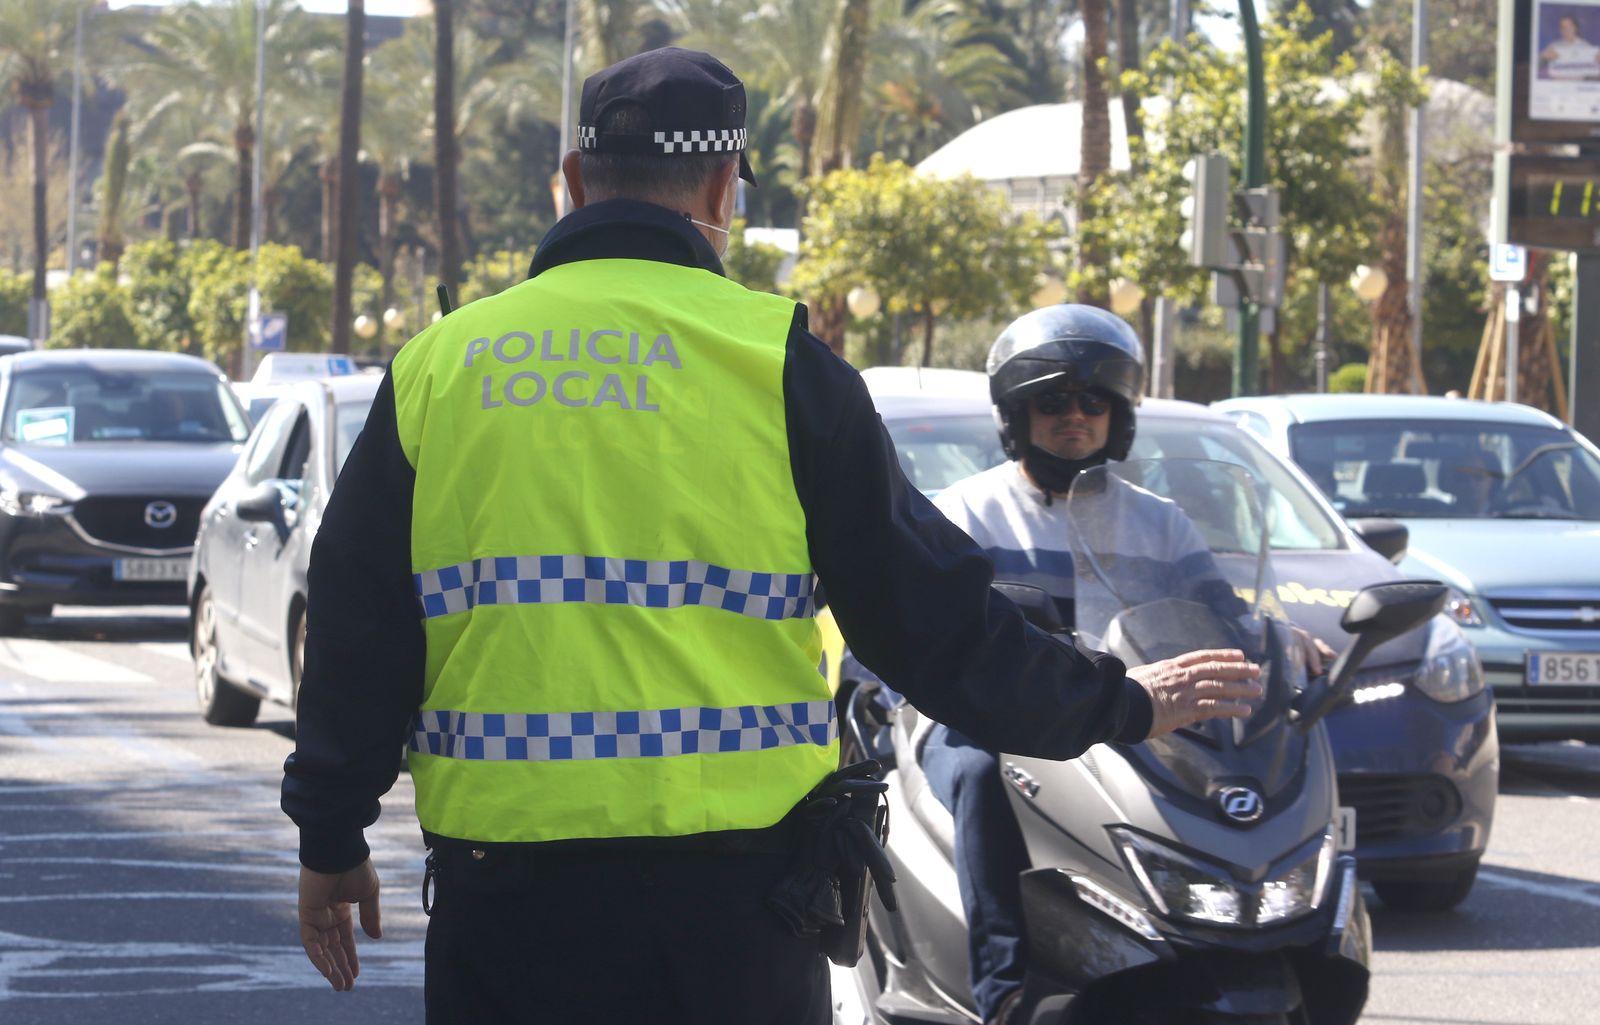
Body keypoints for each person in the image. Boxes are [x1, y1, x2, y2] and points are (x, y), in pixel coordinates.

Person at [280, 50, 1262, 1025]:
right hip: (739, 917)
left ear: (573, 183)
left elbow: (357, 624)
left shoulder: (440, 367)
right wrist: (1121, 702)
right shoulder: (782, 365)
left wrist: (330, 835)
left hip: (509, 909)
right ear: (721, 188)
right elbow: (933, 623)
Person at [923, 305, 1329, 1025]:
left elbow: (1220, 612)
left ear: (1119, 415)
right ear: (1017, 415)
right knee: (983, 773)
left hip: (1128, 712)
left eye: (1093, 401)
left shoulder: (1158, 520)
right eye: (1051, 401)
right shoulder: (966, 512)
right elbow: (932, 635)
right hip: (989, 714)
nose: (1074, 416)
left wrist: (1280, 635)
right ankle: (1004, 985)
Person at [1541, 15, 1600, 79]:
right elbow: (1536, 66)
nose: (1566, 30)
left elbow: (1596, 75)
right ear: (1560, 30)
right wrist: (1543, 57)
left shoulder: (1587, 47)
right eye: (1563, 27)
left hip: (1578, 87)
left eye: (1569, 26)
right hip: (1556, 86)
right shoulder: (1553, 46)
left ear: (1575, 27)